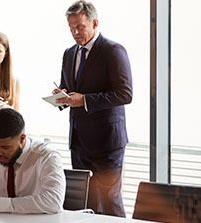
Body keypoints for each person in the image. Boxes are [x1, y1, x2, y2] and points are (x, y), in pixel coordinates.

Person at [53, 1, 133, 217]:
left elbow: (125, 94)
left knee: (109, 202)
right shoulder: (69, 54)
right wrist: (62, 96)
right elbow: (70, 89)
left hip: (107, 143)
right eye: (71, 28)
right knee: (84, 204)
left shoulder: (113, 51)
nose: (75, 33)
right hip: (79, 141)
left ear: (95, 23)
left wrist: (85, 100)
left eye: (79, 27)